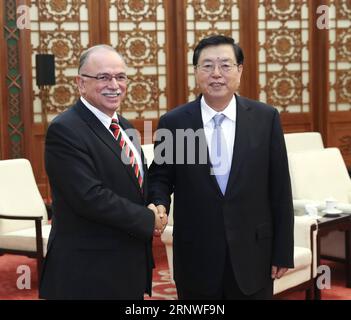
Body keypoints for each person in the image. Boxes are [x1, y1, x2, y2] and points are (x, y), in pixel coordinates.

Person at [149, 35, 294, 300]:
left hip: (254, 255)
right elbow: (160, 177)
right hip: (196, 255)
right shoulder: (175, 122)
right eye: (207, 66)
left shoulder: (265, 118)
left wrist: (282, 251)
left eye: (225, 65)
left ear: (239, 70)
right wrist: (159, 203)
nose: (216, 74)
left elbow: (280, 189)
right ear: (195, 72)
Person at [39, 45, 166, 300]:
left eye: (120, 77)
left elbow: (139, 181)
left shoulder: (125, 127)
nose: (114, 85)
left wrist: (158, 204)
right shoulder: (65, 130)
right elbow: (89, 197)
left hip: (126, 266)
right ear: (80, 83)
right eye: (103, 77)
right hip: (87, 273)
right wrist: (147, 219)